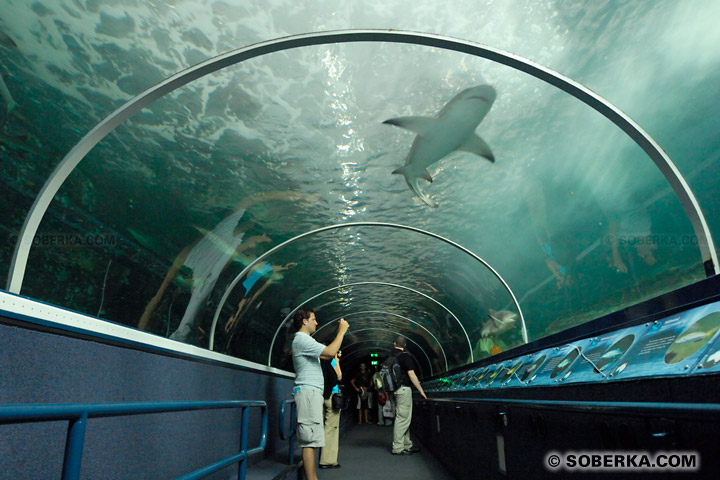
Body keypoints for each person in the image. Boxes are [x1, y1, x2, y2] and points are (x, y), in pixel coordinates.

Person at [291, 308, 349, 480]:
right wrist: (341, 331)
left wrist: (334, 351)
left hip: (313, 394)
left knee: (312, 439)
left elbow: (328, 355)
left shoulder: (307, 341)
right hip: (308, 393)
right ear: (304, 321)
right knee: (309, 440)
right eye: (314, 319)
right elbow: (330, 352)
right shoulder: (301, 339)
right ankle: (312, 478)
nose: (316, 323)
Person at [389, 336, 427, 455]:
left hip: (392, 390)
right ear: (404, 345)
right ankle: (398, 447)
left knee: (401, 417)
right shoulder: (405, 356)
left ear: (394, 343)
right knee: (402, 418)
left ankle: (407, 444)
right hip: (403, 389)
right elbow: (412, 375)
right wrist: (421, 390)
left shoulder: (389, 357)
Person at [319, 350, 342, 469]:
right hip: (331, 397)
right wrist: (336, 360)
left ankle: (316, 456)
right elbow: (339, 375)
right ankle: (327, 460)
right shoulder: (331, 360)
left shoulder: (316, 360)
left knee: (320, 425)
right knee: (331, 428)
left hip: (319, 395)